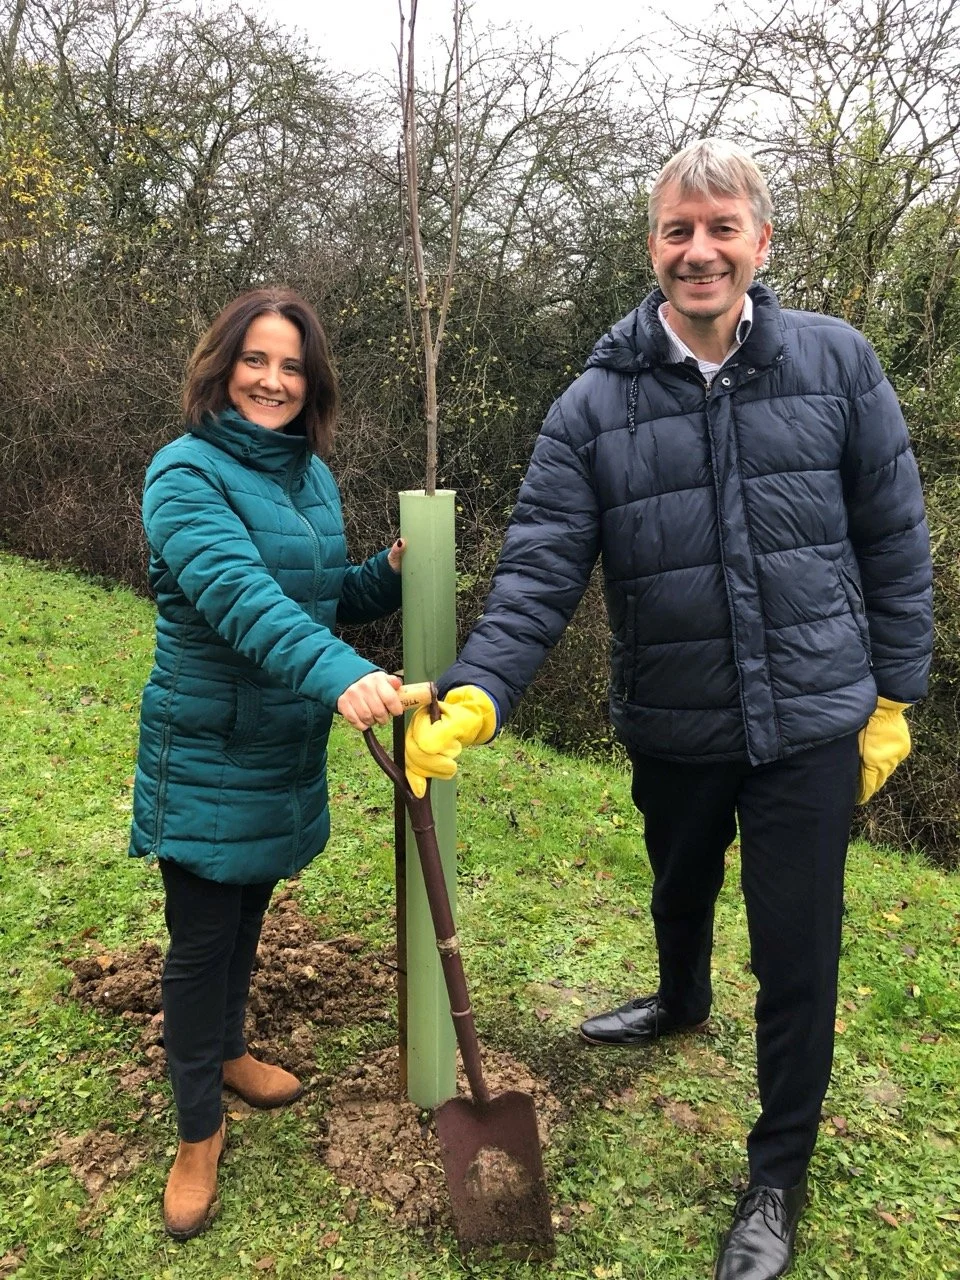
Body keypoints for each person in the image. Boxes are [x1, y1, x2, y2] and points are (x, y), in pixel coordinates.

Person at [404, 140, 933, 1278]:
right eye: (677, 231)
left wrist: (896, 692)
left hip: (811, 721)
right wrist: (482, 691)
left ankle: (776, 1175)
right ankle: (680, 998)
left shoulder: (839, 365)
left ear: (760, 240)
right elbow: (542, 568)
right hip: (676, 715)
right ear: (652, 248)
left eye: (721, 226)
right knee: (679, 884)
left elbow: (896, 541)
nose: (700, 250)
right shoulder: (592, 405)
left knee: (798, 955)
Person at [129, 287, 407, 1242]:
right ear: (222, 366)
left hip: (280, 745)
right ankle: (197, 1132)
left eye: (292, 366)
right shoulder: (184, 475)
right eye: (257, 360)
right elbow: (243, 600)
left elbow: (319, 597)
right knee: (203, 942)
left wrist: (390, 571)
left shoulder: (309, 478)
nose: (273, 381)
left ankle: (232, 1053)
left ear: (312, 382)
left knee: (251, 910)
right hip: (207, 747)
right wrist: (344, 676)